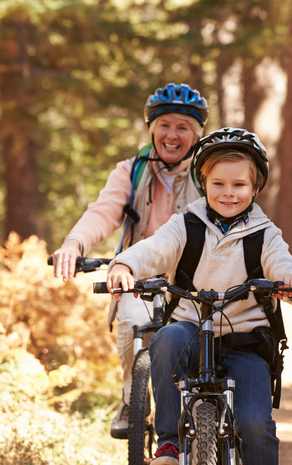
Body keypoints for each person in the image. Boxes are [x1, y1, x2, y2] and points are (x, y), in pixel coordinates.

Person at [105, 128, 292, 465]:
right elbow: (152, 250)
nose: (229, 193)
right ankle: (170, 444)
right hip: (190, 329)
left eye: (239, 185)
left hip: (246, 343)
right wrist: (124, 264)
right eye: (218, 184)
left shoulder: (264, 233)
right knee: (164, 340)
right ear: (203, 183)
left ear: (256, 187)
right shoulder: (187, 223)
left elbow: (282, 263)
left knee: (256, 424)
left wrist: (291, 281)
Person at [52, 83, 205, 438]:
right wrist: (75, 243)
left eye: (183, 127)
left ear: (196, 135)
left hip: (196, 280)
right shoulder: (131, 171)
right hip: (139, 276)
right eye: (165, 125)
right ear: (152, 128)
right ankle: (131, 399)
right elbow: (103, 212)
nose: (172, 134)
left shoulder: (208, 172)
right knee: (133, 319)